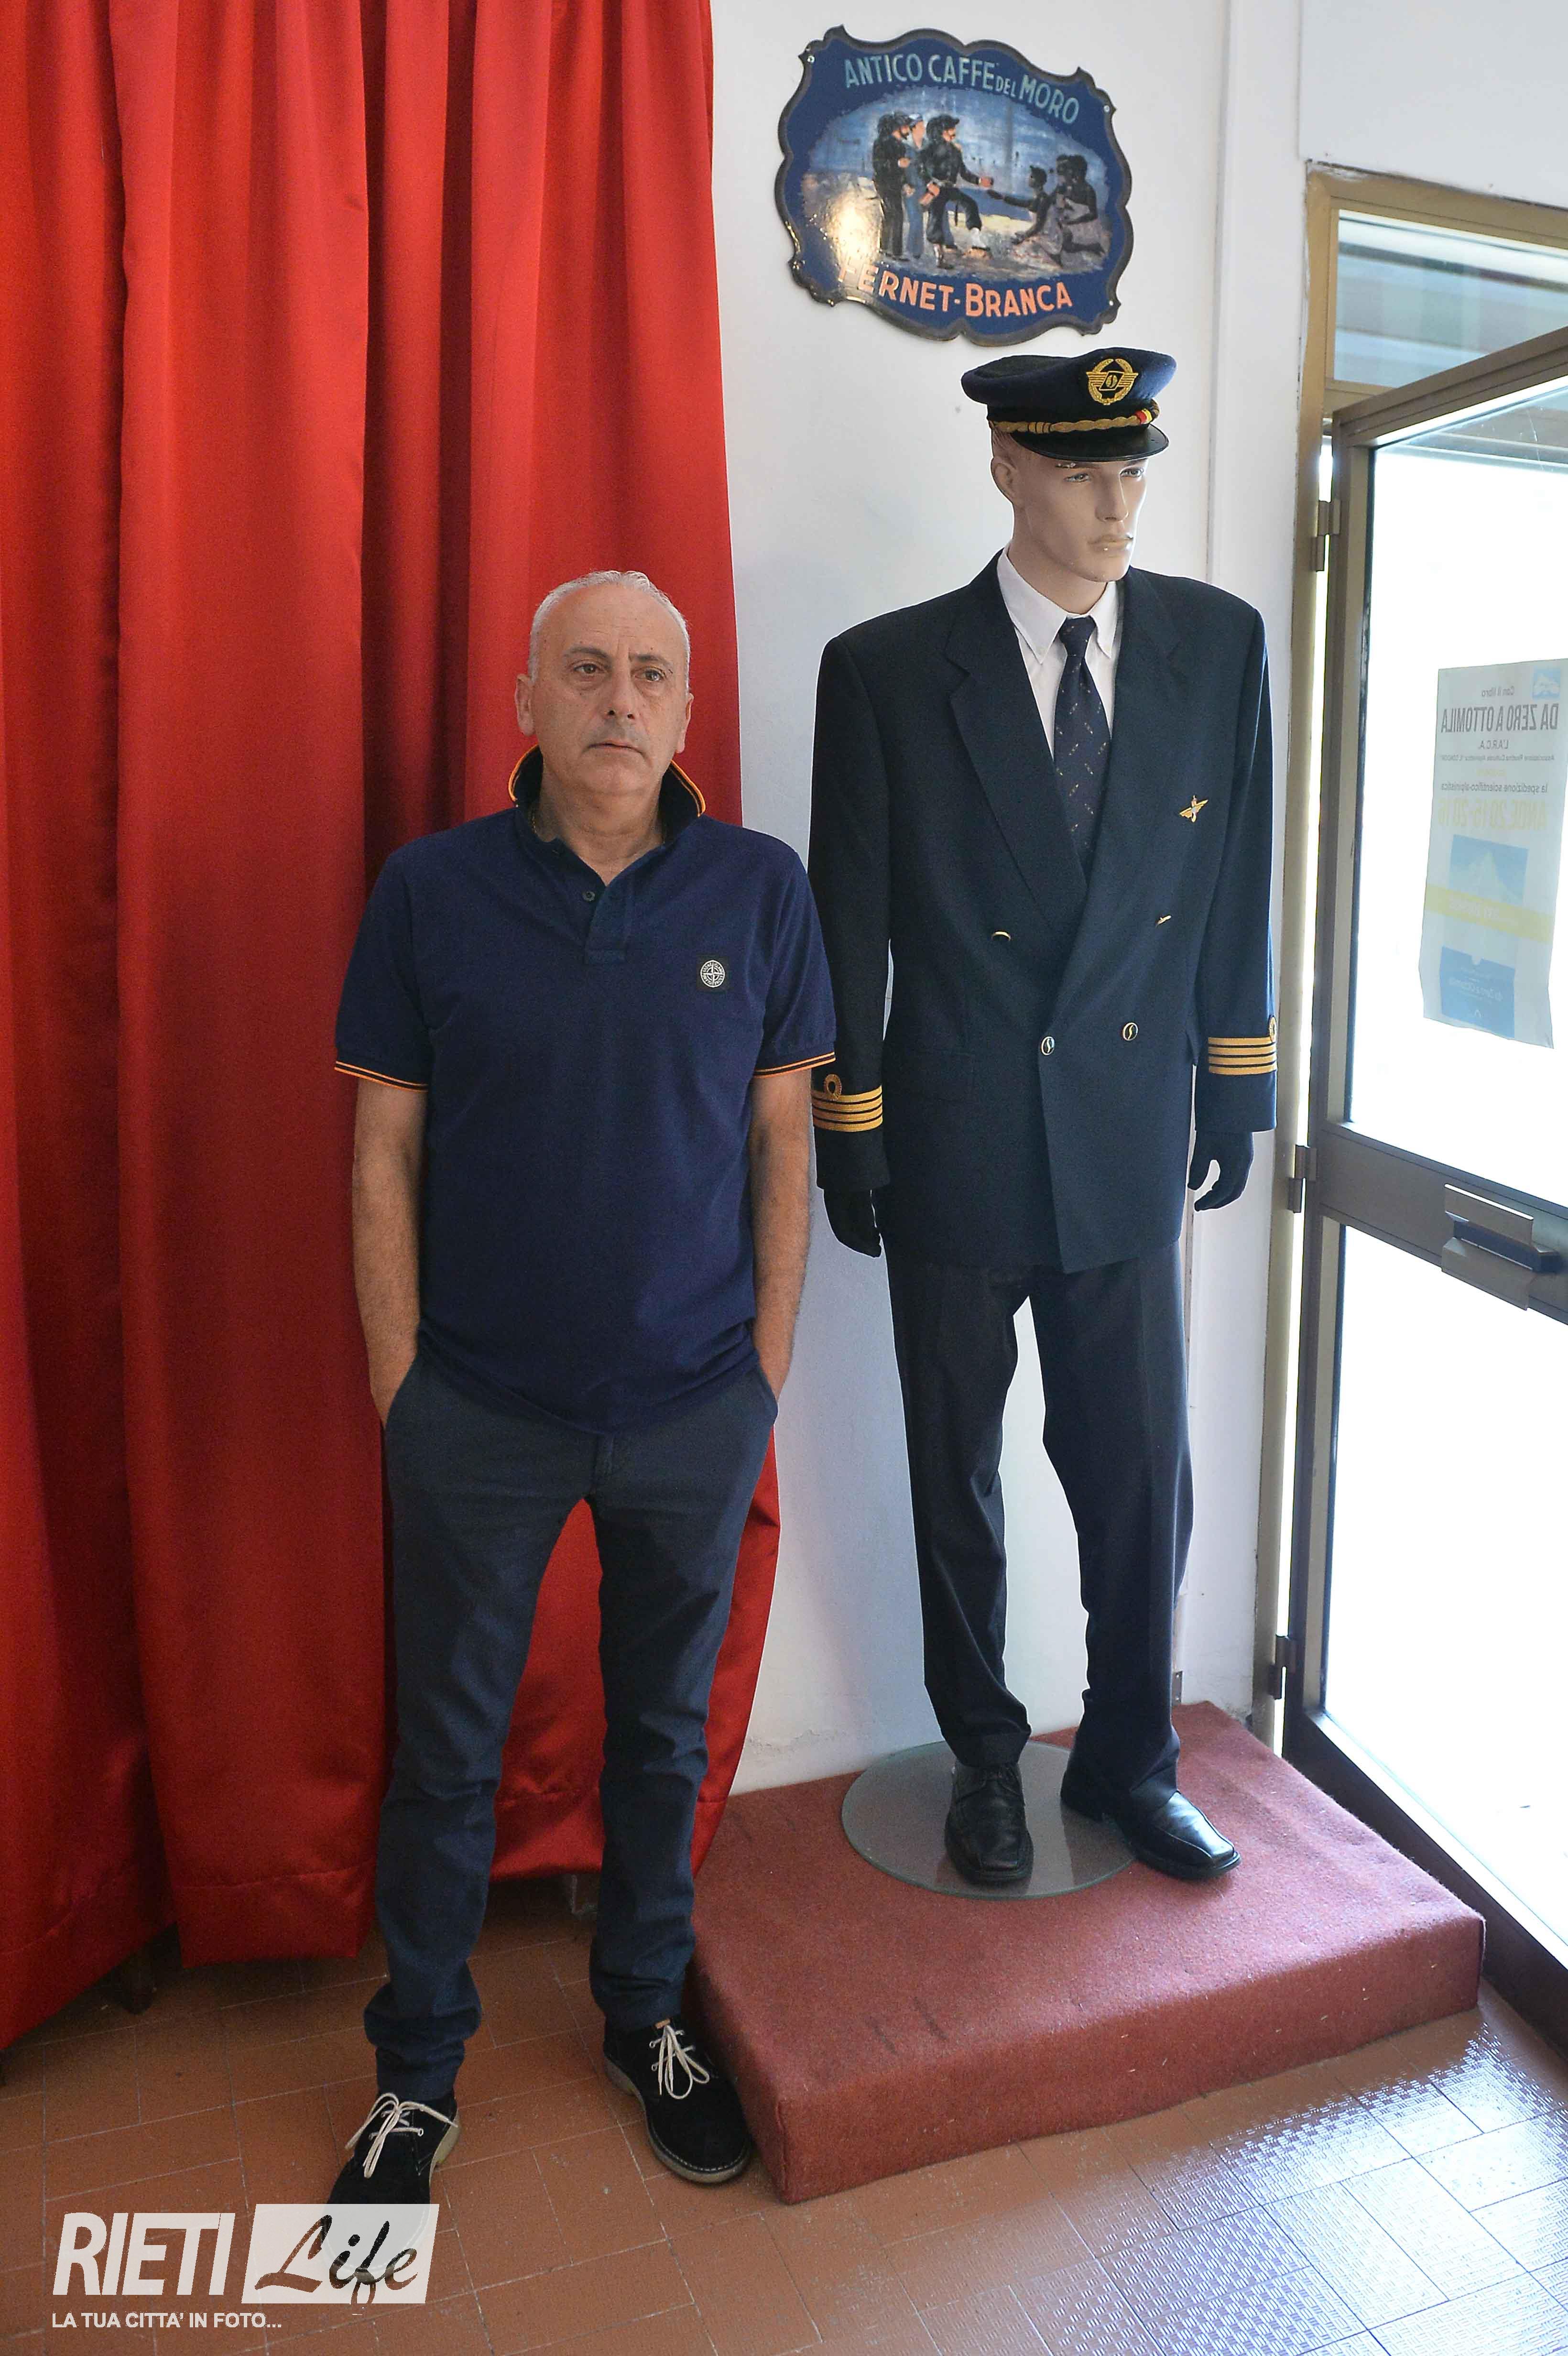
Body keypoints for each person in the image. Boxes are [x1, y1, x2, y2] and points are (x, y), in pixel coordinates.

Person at [331, 570, 835, 2201]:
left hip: (695, 1405)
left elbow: (782, 1142)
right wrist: (403, 1383)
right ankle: (417, 2071)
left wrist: (764, 1373)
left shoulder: (760, 890)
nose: (622, 701)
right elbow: (384, 1144)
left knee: (662, 1738)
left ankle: (645, 2014)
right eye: (590, 669)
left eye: (652, 675)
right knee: (448, 1755)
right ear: (529, 700)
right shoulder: (432, 889)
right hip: (475, 1409)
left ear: (687, 710)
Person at [806, 351, 1274, 1891]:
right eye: (1080, 470)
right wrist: (853, 1124)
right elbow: (847, 919)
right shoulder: (887, 671)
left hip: (1128, 1131)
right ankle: (985, 1761)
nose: (1116, 503)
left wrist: (1237, 1075)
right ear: (1007, 465)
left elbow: (1237, 882)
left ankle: (1131, 1756)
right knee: (955, 1475)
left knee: (1141, 1476)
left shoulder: (1217, 645)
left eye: (1132, 468)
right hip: (954, 1134)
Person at [922, 114, 993, 262]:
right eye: (951, 128)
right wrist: (929, 185)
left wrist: (979, 181)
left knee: (970, 204)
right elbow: (920, 168)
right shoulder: (930, 149)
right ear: (943, 131)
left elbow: (964, 173)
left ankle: (976, 240)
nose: (955, 131)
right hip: (936, 188)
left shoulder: (955, 151)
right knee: (936, 215)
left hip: (950, 189)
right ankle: (939, 253)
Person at [871, 110, 915, 257]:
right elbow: (879, 165)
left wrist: (905, 185)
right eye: (907, 127)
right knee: (896, 216)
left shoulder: (901, 147)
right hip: (884, 184)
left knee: (892, 216)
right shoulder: (881, 143)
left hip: (895, 186)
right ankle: (893, 252)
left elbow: (900, 173)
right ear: (898, 127)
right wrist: (897, 163)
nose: (909, 130)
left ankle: (886, 250)